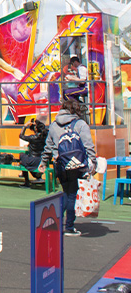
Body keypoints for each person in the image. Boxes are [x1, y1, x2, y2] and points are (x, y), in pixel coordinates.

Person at [39, 99, 96, 236]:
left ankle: (53, 220)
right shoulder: (80, 124)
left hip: (60, 163)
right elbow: (88, 145)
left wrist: (43, 162)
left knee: (66, 192)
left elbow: (48, 146)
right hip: (77, 164)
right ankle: (69, 226)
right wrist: (93, 162)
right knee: (72, 194)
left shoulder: (53, 125)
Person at [19, 119, 47, 187]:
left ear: (36, 129)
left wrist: (25, 126)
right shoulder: (45, 137)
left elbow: (21, 136)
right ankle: (37, 176)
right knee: (26, 161)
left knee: (22, 157)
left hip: (33, 160)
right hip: (42, 160)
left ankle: (26, 182)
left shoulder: (33, 137)